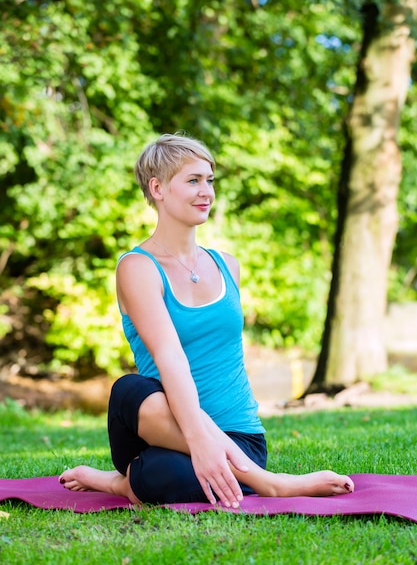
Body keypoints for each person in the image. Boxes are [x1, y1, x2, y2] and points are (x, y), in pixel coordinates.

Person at [59, 133, 354, 507]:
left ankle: (122, 483)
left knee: (159, 475)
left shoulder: (227, 265)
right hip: (163, 429)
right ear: (158, 188)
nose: (206, 192)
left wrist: (213, 445)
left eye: (209, 180)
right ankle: (270, 483)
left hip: (239, 441)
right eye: (193, 181)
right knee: (129, 389)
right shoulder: (138, 268)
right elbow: (170, 358)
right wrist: (199, 439)